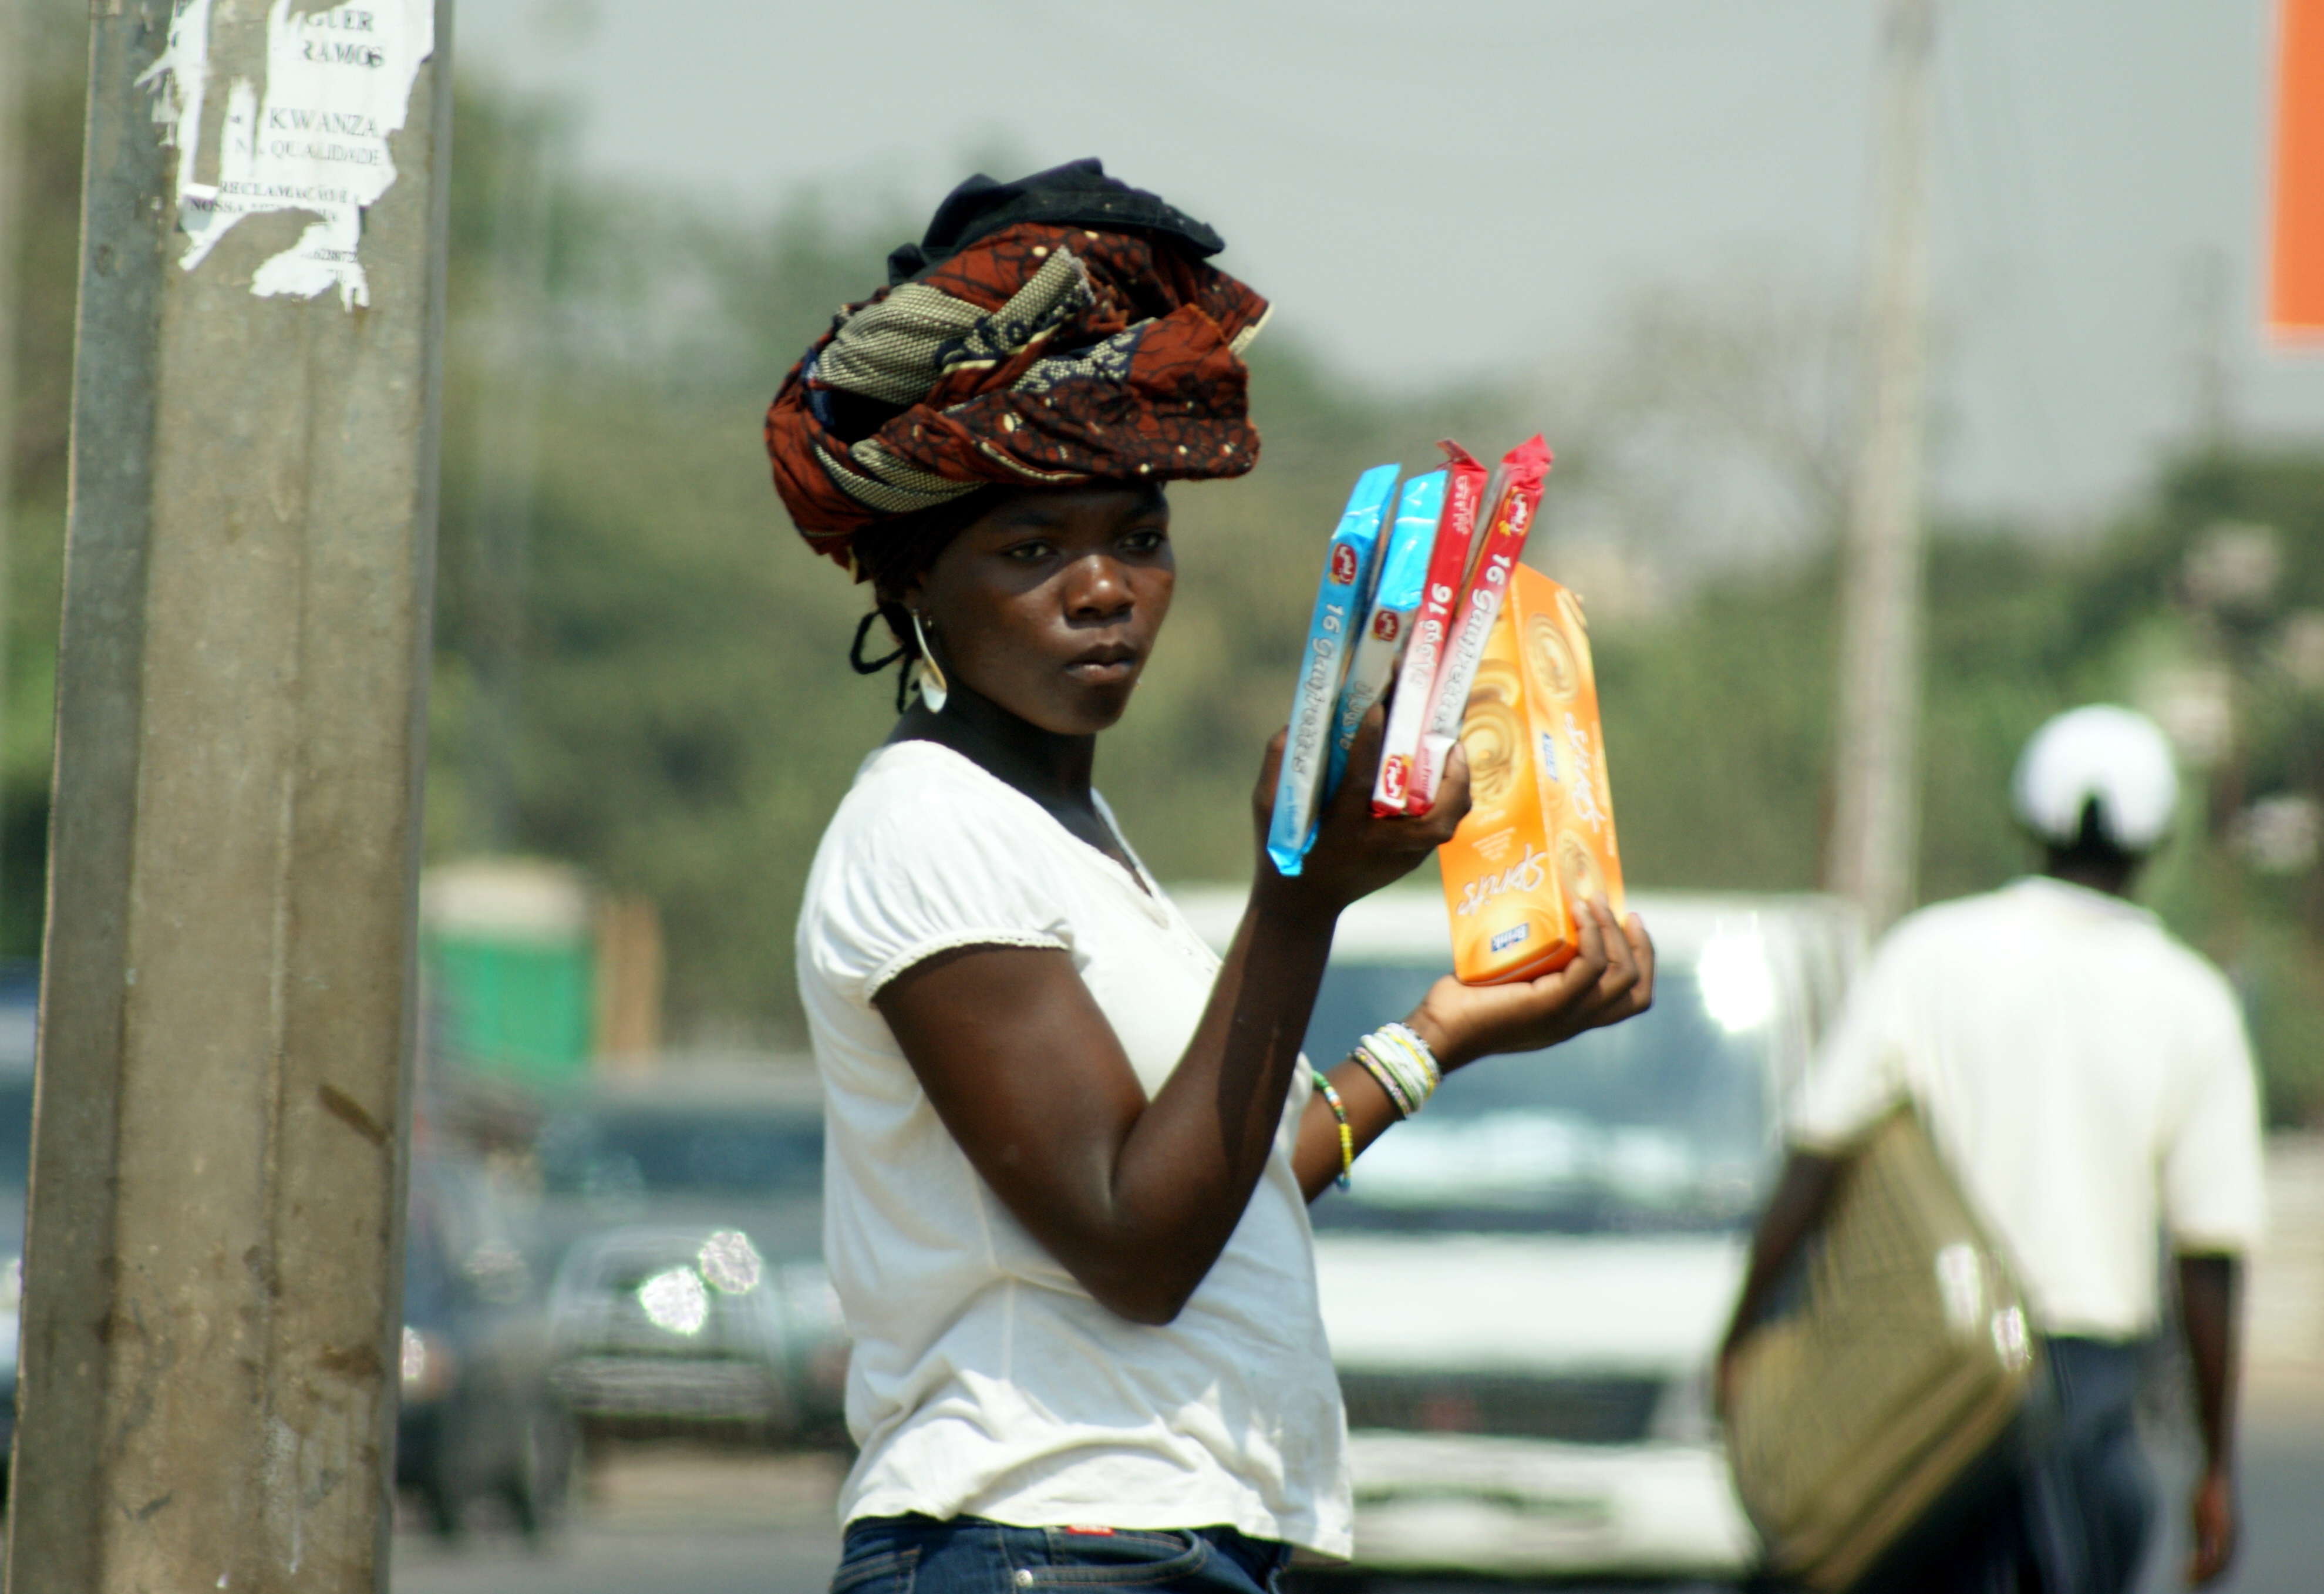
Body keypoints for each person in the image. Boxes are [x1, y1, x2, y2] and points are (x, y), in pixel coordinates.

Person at [764, 159, 1657, 1594]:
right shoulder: (923, 828)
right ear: (913, 583)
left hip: (1153, 1544)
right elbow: (1135, 1243)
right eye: (1032, 546)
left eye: (1137, 535)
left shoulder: (1064, 835)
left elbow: (1216, 1177)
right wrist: (1296, 897)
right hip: (1039, 1543)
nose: (1104, 586)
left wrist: (1441, 1038)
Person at [1716, 705, 2268, 1593]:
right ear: (2156, 837)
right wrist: (2215, 1467)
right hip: (2088, 1393)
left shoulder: (1930, 953)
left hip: (1924, 1365)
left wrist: (1738, 1337)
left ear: (2025, 819)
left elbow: (1817, 1156)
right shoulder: (2190, 1001)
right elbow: (2208, 1258)